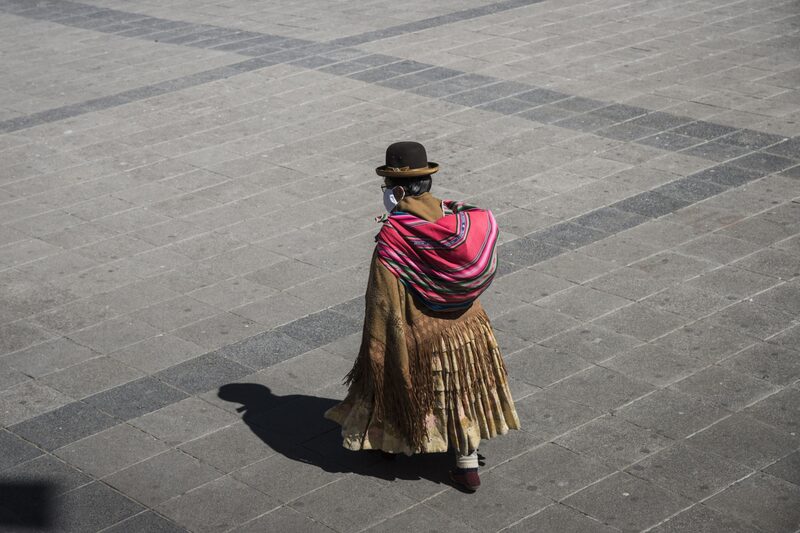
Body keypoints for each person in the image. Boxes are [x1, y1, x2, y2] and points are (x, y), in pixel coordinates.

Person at [325, 141, 520, 492]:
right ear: (427, 183)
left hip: (423, 333)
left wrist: (379, 349)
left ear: (397, 190)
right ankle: (466, 464)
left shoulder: (395, 237)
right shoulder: (461, 219)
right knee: (462, 392)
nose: (384, 192)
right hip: (468, 327)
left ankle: (391, 440)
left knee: (404, 380)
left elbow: (383, 302)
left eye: (387, 187)